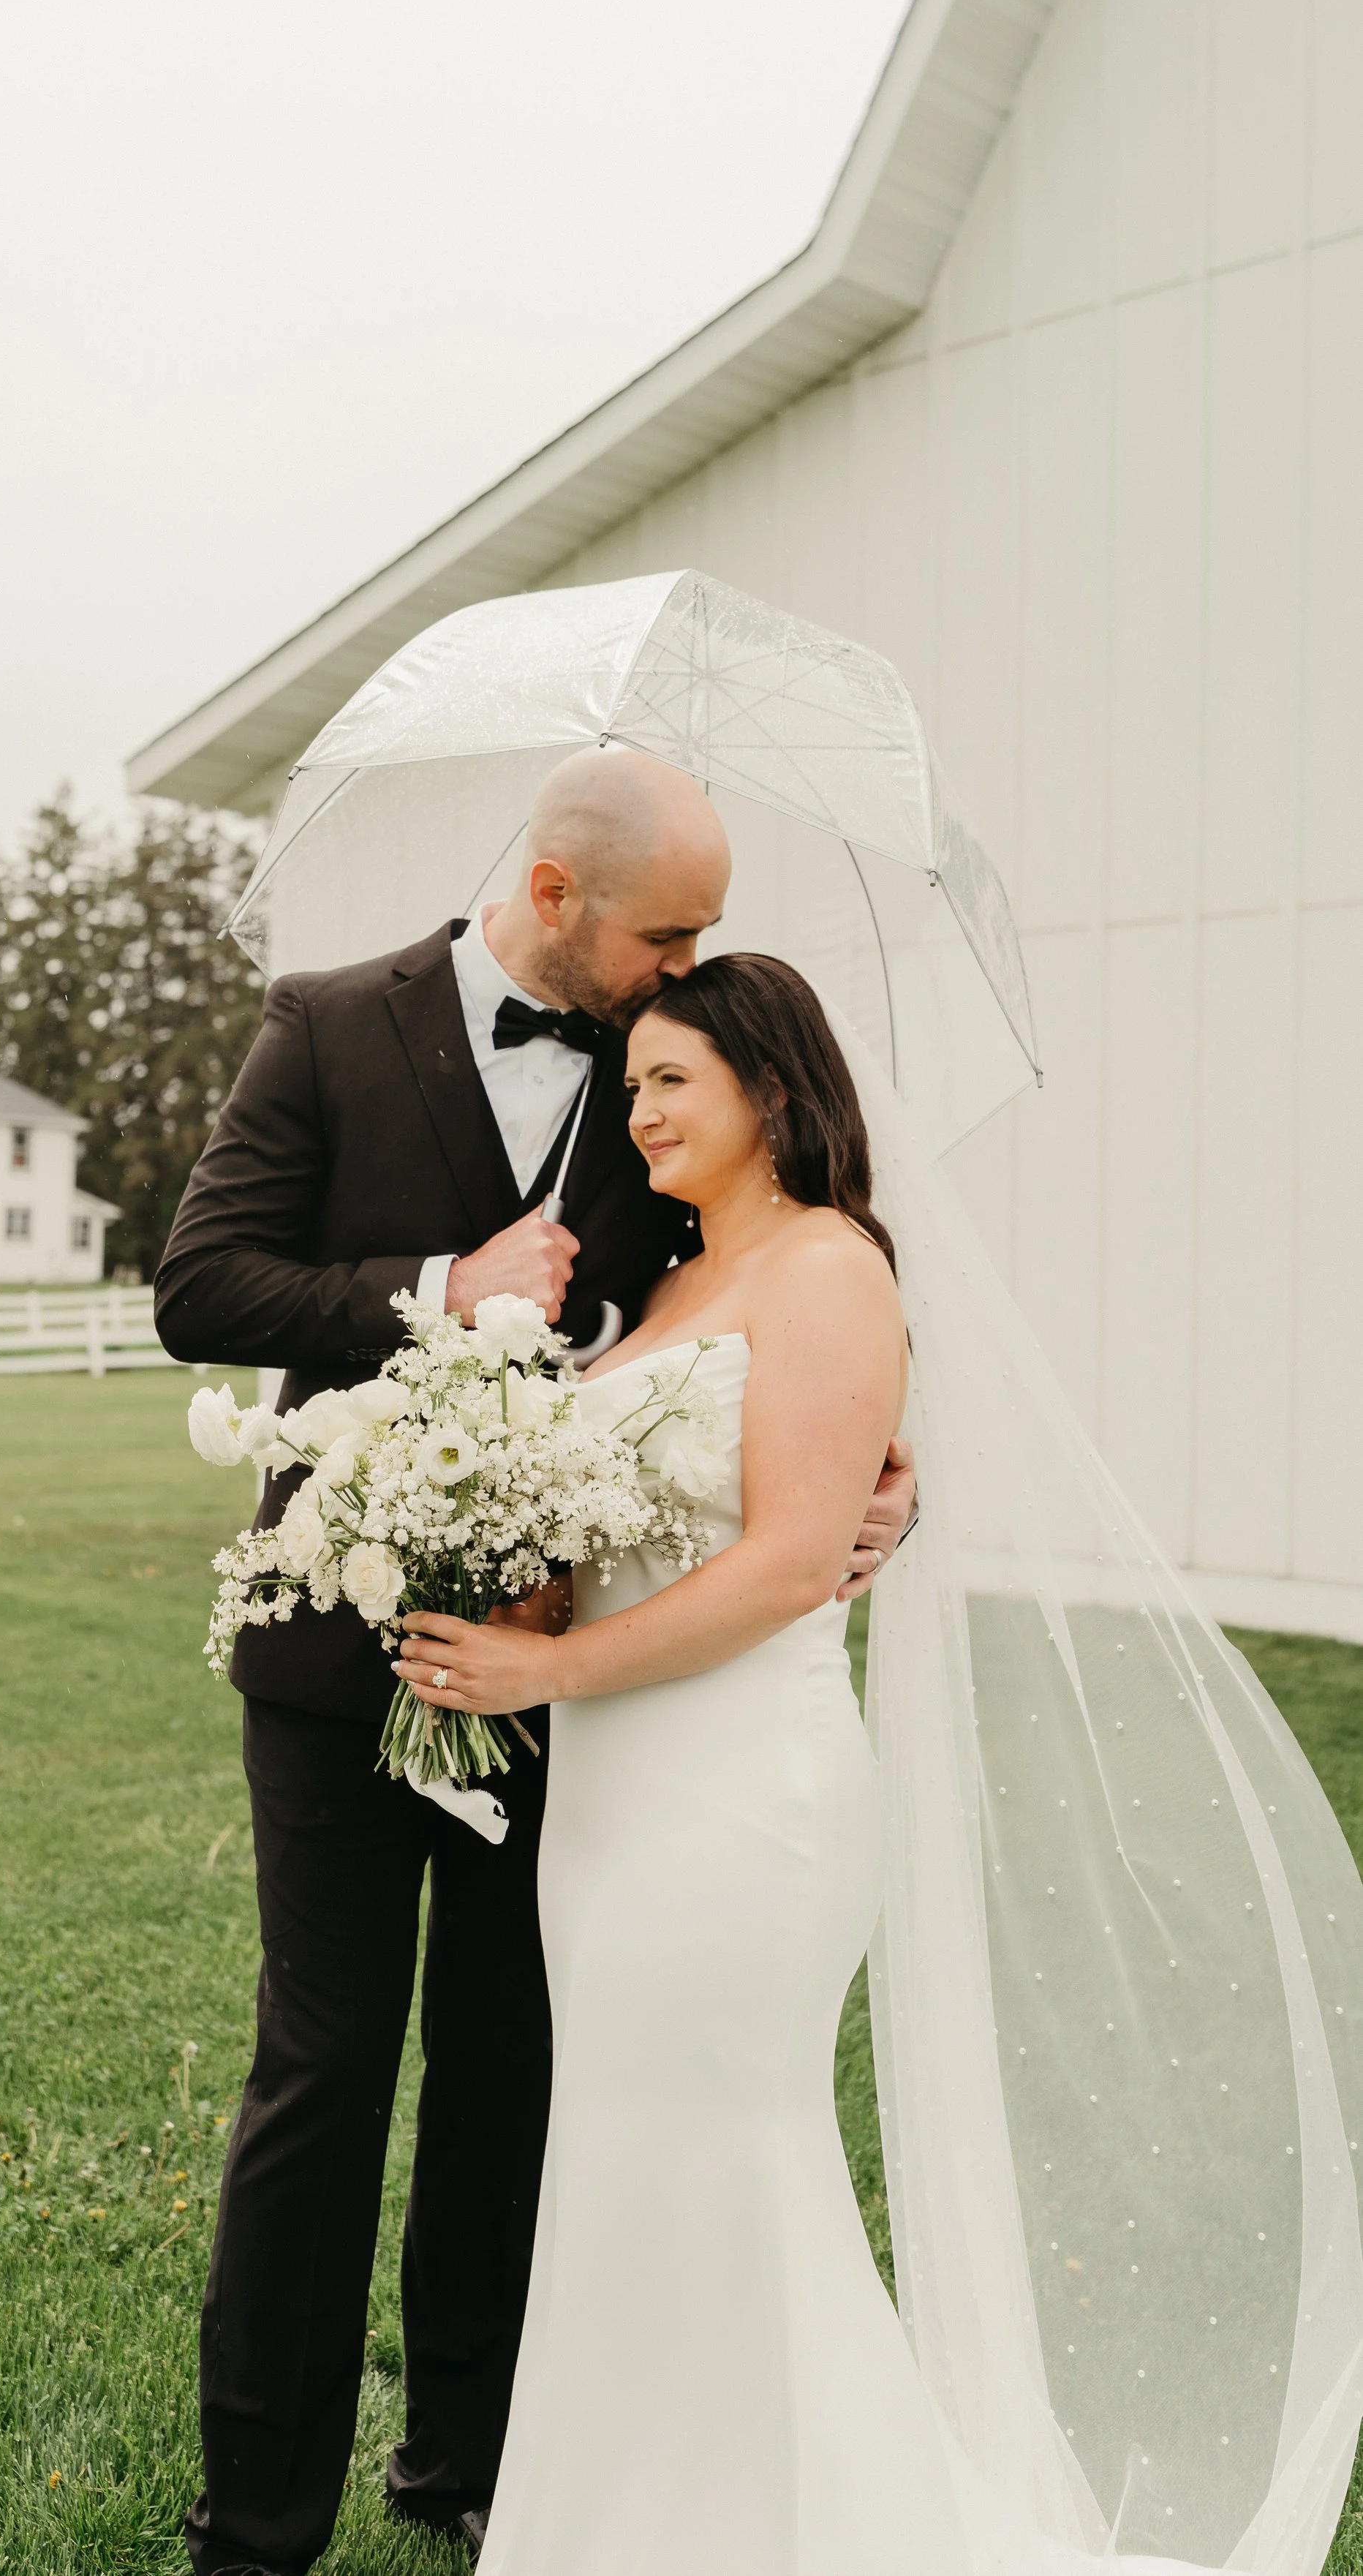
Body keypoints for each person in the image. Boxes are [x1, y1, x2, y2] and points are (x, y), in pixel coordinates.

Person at [390, 954, 1363, 2576]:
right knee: (622, 2153)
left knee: (723, 2154)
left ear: (771, 1092)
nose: (635, 1115)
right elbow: (634, 1533)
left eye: (668, 1082)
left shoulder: (831, 1271)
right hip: (613, 1809)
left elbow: (783, 1565)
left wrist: (546, 1668)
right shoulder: (675, 1282)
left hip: (740, 1804)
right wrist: (516, 1576)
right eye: (628, 1088)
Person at [151, 758, 917, 2576]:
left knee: (515, 2072)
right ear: (557, 893)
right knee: (322, 2074)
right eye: (669, 929)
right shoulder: (329, 1027)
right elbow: (203, 1285)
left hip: (578, 1669)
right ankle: (259, 2517)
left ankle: (478, 2460)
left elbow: (760, 1319)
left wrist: (878, 1472)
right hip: (340, 1665)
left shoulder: (676, 1077)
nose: (690, 964)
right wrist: (441, 1275)